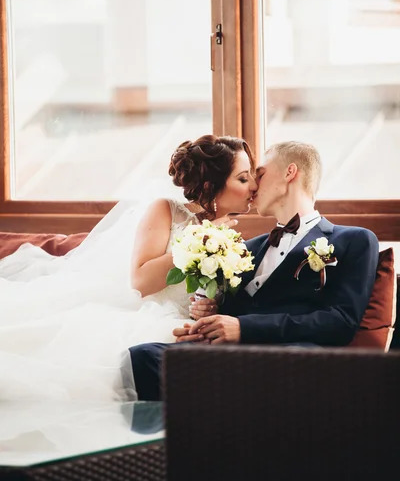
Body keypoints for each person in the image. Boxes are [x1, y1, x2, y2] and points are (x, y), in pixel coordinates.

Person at [0, 134, 256, 401]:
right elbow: (141, 282)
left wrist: (208, 305)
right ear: (210, 186)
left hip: (190, 325)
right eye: (242, 178)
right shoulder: (167, 210)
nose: (253, 185)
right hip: (145, 313)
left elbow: (211, 292)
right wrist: (198, 240)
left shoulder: (233, 235)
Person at [129, 141, 380, 400]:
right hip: (228, 355)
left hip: (287, 354)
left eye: (259, 174)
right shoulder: (247, 248)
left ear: (289, 173)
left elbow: (341, 321)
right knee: (143, 356)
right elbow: (228, 310)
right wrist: (205, 322)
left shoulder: (354, 239)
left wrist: (245, 328)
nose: (253, 185)